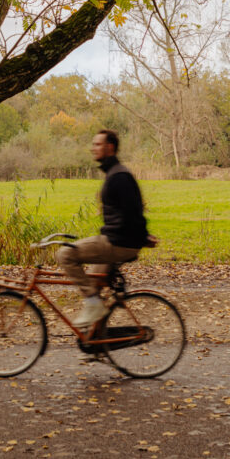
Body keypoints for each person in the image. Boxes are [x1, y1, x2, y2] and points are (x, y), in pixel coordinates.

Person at [57, 129, 154, 328]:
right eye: (94, 144)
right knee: (94, 284)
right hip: (118, 239)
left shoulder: (119, 176)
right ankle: (98, 344)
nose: (93, 148)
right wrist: (143, 237)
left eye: (98, 144)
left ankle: (93, 304)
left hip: (116, 242)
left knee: (65, 254)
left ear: (110, 147)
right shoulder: (115, 173)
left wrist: (142, 237)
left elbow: (133, 211)